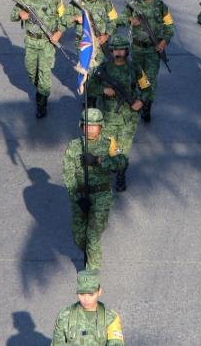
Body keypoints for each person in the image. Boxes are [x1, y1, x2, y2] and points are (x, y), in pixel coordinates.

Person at [62, 108, 127, 269]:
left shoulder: (109, 143)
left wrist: (98, 160)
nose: (89, 128)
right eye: (86, 125)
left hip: (101, 197)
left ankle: (91, 275)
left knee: (92, 236)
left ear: (101, 126)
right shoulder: (74, 146)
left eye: (93, 125)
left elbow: (122, 162)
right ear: (81, 126)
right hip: (80, 195)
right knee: (79, 237)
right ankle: (91, 254)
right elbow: (68, 174)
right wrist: (77, 197)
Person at [84, 34, 148, 191]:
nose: (118, 52)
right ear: (111, 51)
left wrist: (141, 101)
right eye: (115, 49)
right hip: (108, 118)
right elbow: (90, 88)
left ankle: (121, 175)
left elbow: (147, 88)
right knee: (108, 149)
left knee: (123, 152)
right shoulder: (103, 69)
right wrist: (103, 89)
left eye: (121, 49)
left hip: (128, 119)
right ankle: (104, 175)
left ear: (127, 51)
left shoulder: (135, 68)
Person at [11, 0, 67, 118]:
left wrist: (58, 33)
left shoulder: (55, 0)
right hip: (30, 42)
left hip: (47, 42)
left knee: (44, 73)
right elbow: (12, 15)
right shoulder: (25, 0)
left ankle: (41, 104)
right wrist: (19, 15)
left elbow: (64, 19)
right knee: (31, 72)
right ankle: (41, 90)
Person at [51, 269, 124, 345]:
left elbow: (116, 343)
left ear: (99, 292)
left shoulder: (111, 318)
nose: (86, 299)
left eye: (91, 294)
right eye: (81, 294)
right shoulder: (64, 316)